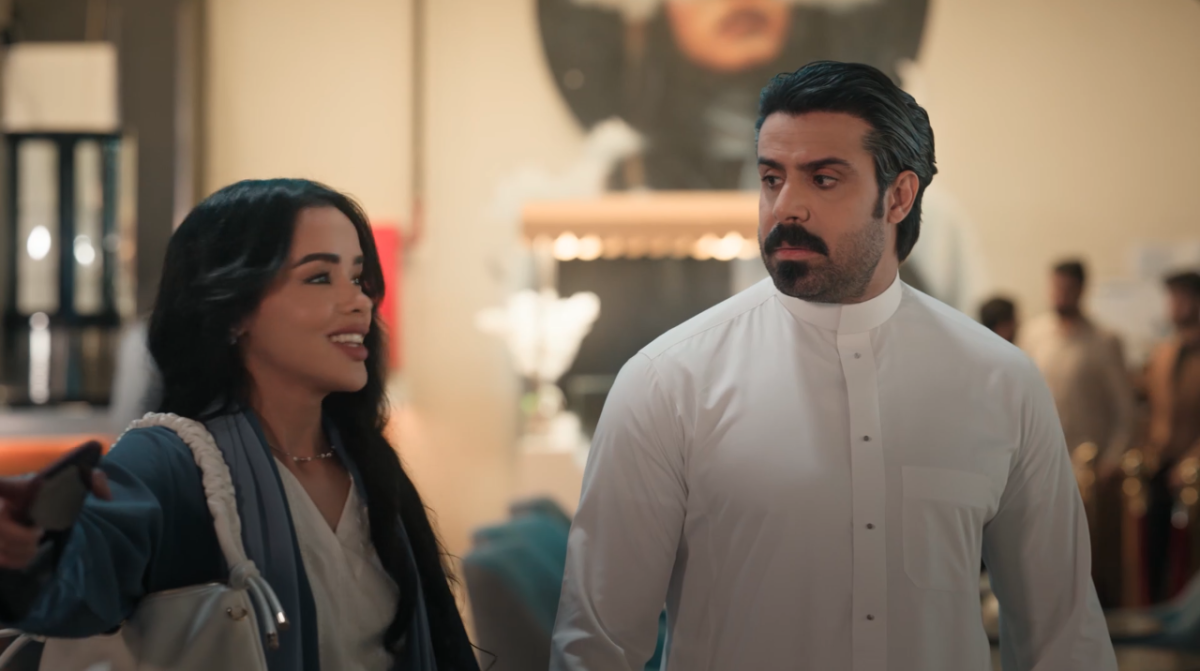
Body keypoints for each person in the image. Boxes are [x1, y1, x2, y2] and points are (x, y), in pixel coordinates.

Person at [550, 61, 1115, 671]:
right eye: (772, 178)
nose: (786, 207)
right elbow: (595, 648)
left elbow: (1063, 636)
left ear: (898, 196)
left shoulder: (1001, 382)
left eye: (823, 179)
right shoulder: (668, 383)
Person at [0, 179, 480, 671]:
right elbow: (80, 573)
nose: (359, 302)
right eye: (320, 278)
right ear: (232, 312)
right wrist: (23, 549)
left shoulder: (368, 464)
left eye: (357, 278)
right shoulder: (176, 461)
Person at [1021, 261, 1135, 468]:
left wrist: (1112, 459)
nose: (1060, 295)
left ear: (1081, 289)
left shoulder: (1104, 341)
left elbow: (1125, 409)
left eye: (1067, 288)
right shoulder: (1033, 334)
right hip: (1042, 458)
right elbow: (1021, 396)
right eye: (1056, 287)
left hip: (1088, 461)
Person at [1144, 270, 1200, 603]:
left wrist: (1192, 462)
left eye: (1182, 297)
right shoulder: (1164, 351)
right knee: (1155, 550)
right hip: (1160, 465)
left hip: (1193, 473)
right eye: (1172, 297)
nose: (1174, 305)